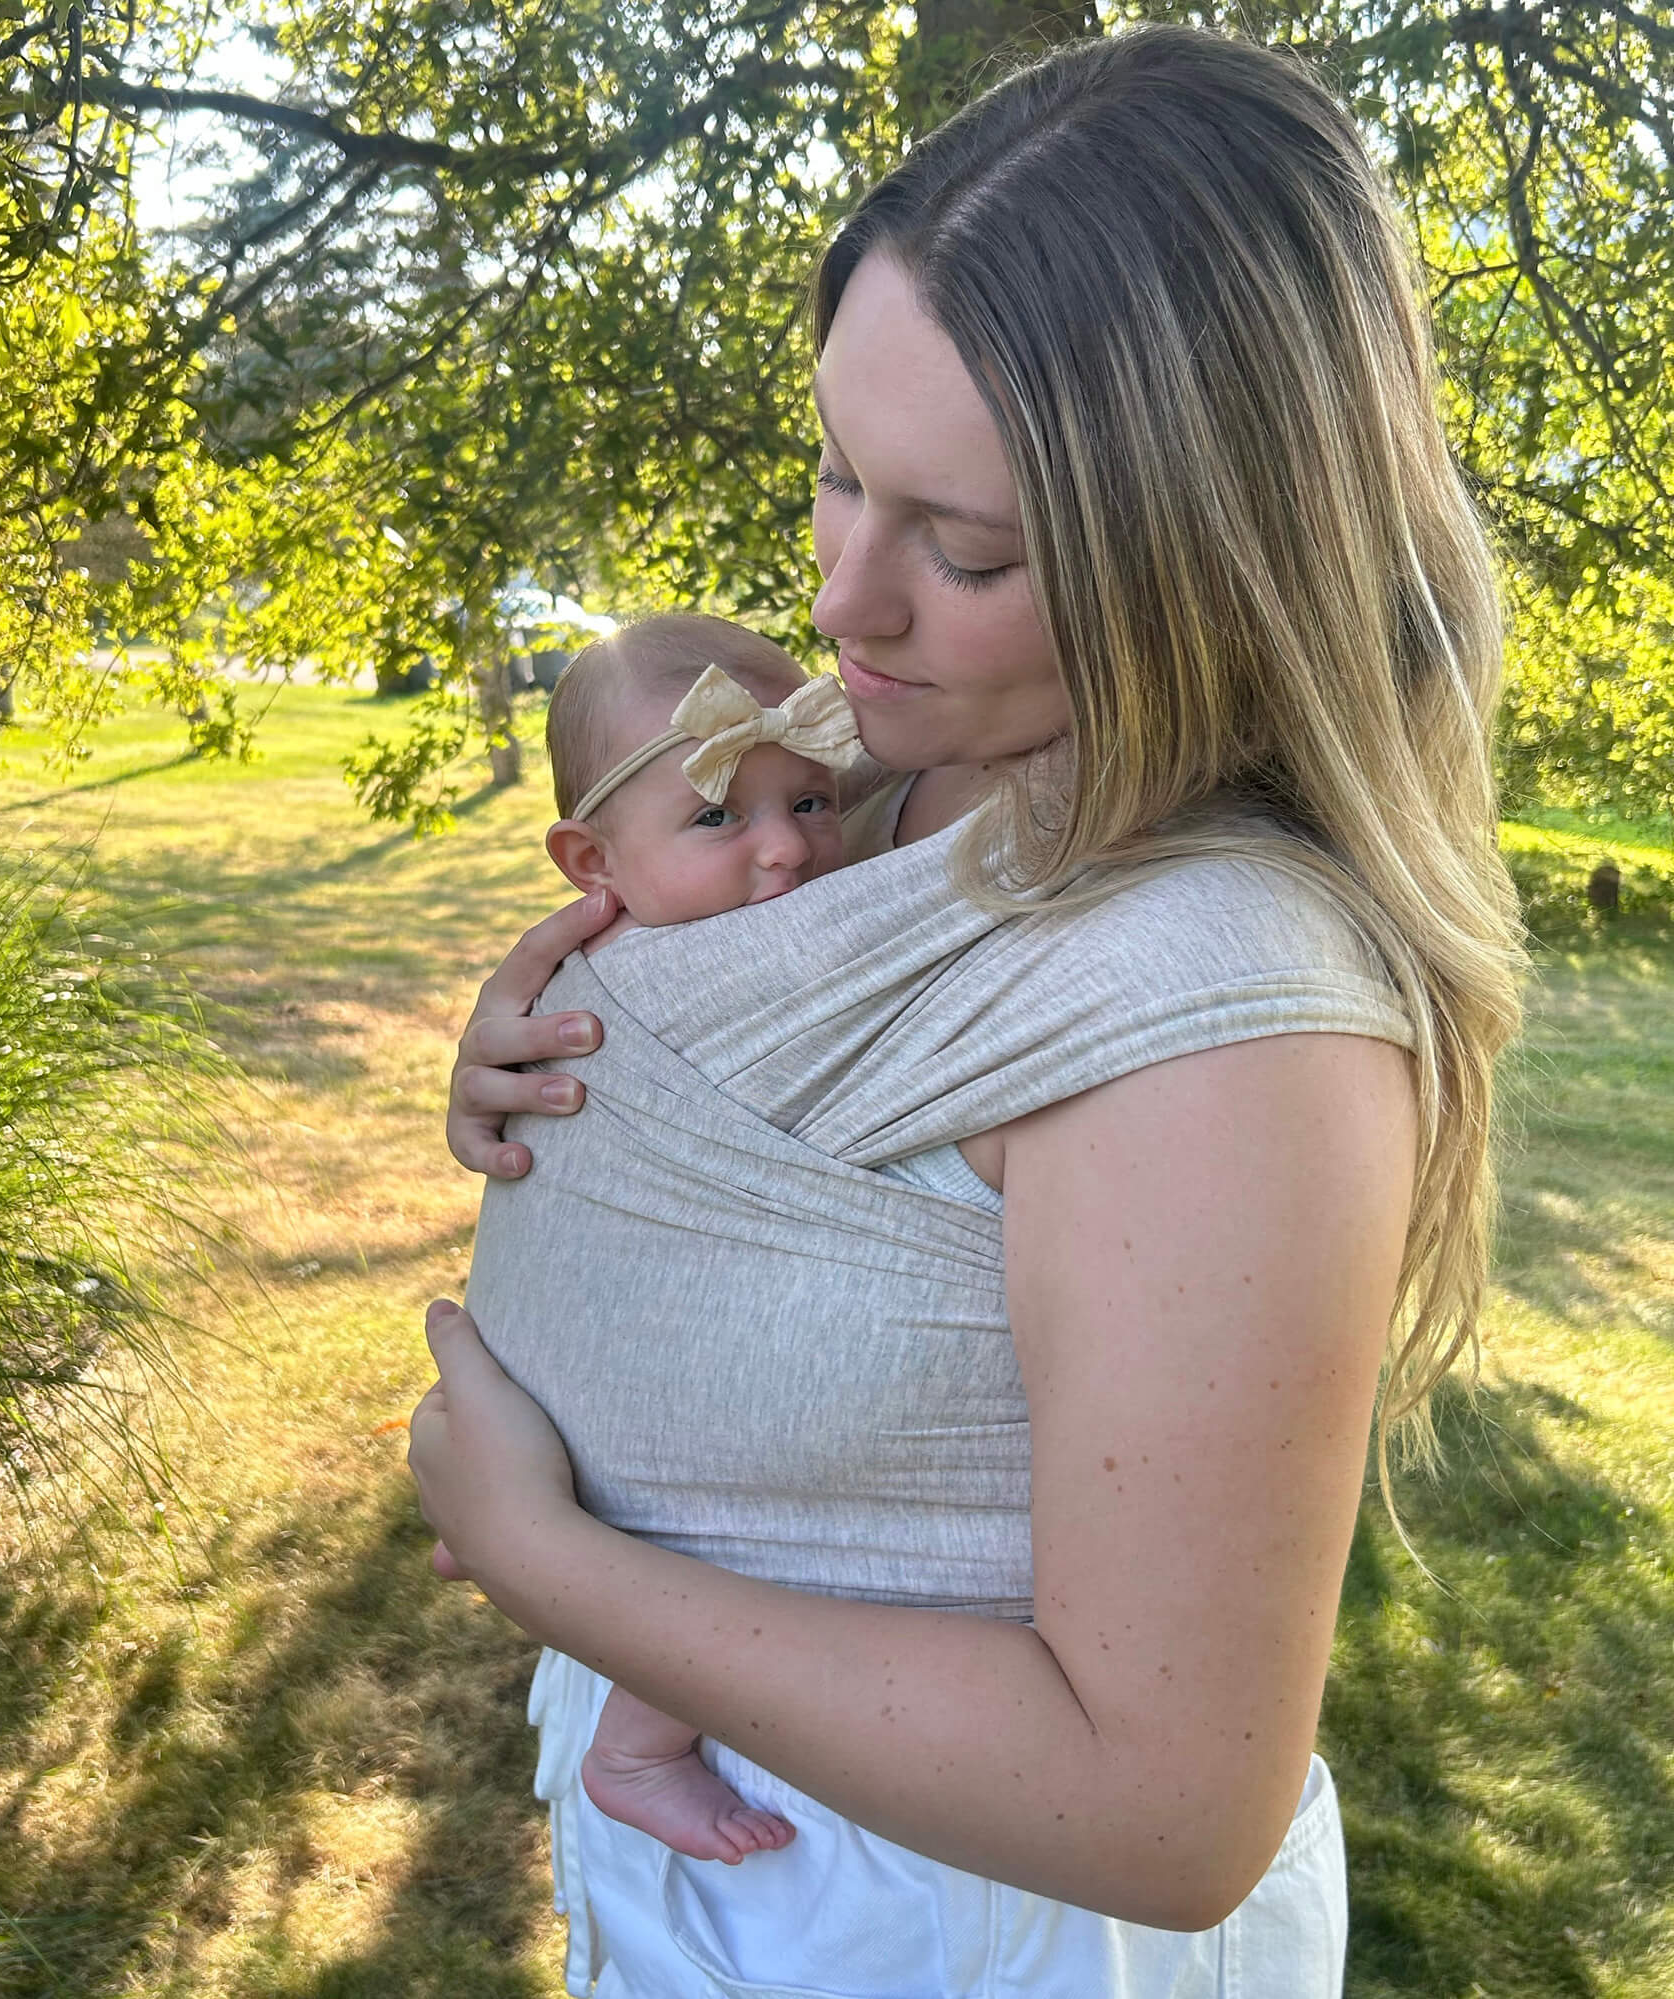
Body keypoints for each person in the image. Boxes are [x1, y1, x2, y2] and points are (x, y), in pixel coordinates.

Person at [410, 24, 1525, 1997]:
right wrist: (559, 1028)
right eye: (840, 472)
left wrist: (542, 1558)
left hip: (953, 1932)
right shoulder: (855, 758)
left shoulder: (1224, 1013)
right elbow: (721, 980)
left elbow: (1166, 1811)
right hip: (718, 1863)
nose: (845, 599)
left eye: (972, 549)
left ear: (1207, 557)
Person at [532, 611, 862, 1861]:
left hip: (604, 1323)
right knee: (726, 1529)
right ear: (589, 862)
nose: (783, 850)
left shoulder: (665, 935)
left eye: (811, 803)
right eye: (719, 817)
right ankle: (638, 1743)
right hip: (628, 1329)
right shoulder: (659, 975)